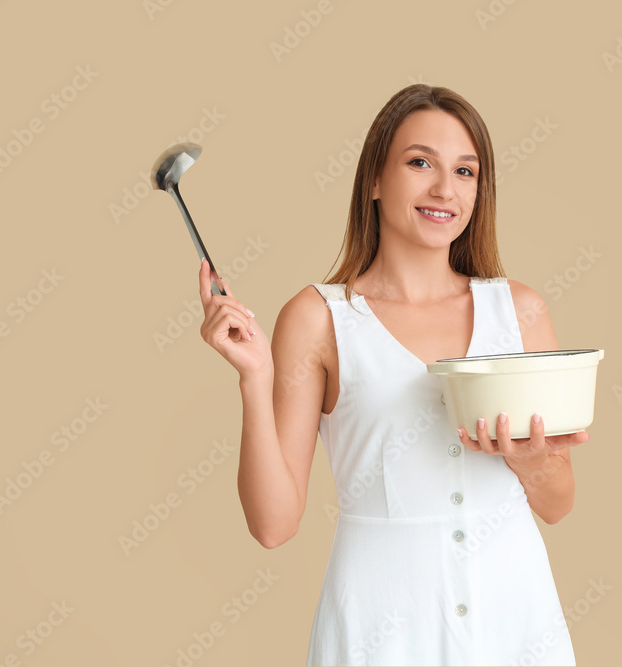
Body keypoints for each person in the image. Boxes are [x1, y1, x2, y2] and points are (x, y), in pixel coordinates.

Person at [197, 84, 589, 666]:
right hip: (380, 625)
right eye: (419, 162)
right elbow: (273, 525)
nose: (444, 189)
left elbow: (558, 504)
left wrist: (531, 461)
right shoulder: (317, 319)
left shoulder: (521, 310)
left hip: (516, 617)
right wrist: (254, 378)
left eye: (465, 171)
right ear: (374, 181)